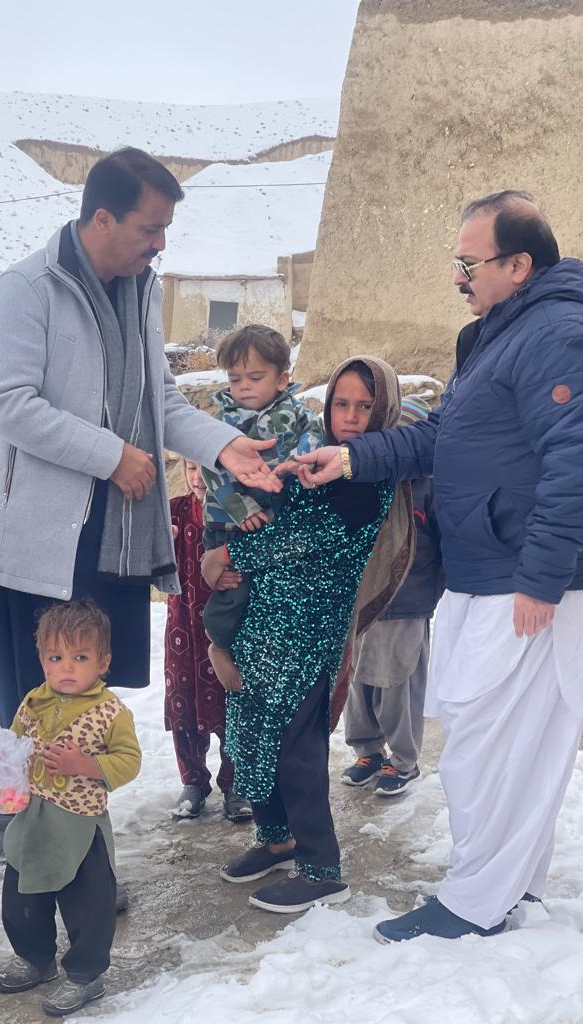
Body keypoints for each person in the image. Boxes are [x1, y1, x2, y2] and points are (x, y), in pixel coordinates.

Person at [0, 147, 279, 852]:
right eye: (150, 229)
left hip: (114, 534)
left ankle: (70, 842)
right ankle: (23, 828)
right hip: (41, 543)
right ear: (102, 218)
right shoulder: (26, 288)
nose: (161, 245)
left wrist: (223, 446)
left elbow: (159, 402)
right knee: (33, 702)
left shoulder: (142, 294)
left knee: (86, 700)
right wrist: (111, 456)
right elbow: (7, 405)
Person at [285, 191, 583, 942]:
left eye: (468, 261)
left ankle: (477, 902)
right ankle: (508, 888)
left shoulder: (553, 332)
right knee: (511, 744)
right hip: (501, 571)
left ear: (518, 265)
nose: (458, 276)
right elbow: (442, 436)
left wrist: (542, 578)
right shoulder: (495, 334)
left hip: (525, 581)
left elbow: (574, 454)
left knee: (483, 745)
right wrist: (351, 456)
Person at [202, 357, 414, 914]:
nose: (349, 417)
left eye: (363, 406)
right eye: (340, 404)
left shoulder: (366, 477)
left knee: (295, 744)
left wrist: (229, 553)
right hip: (267, 614)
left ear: (382, 409)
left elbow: (305, 541)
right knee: (250, 727)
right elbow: (276, 516)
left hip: (308, 629)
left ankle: (321, 867)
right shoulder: (315, 456)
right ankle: (277, 839)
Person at [0, 599, 140, 1017]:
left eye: (80, 657)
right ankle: (35, 959)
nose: (67, 668)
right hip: (31, 821)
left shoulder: (110, 712)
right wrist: (7, 763)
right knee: (22, 898)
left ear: (103, 661)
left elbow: (129, 761)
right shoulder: (33, 702)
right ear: (42, 660)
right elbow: (17, 745)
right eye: (56, 657)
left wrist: (86, 765)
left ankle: (85, 974)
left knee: (88, 905)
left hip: (79, 827)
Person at [200, 324, 324, 691]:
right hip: (230, 523)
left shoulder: (298, 414)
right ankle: (219, 646)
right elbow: (212, 469)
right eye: (236, 379)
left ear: (282, 378)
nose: (244, 387)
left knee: (270, 596)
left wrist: (303, 464)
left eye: (255, 377)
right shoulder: (221, 422)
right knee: (233, 590)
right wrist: (241, 508)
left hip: (276, 519)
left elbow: (313, 440)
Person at [341, 395, 444, 796]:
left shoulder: (428, 486)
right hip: (363, 599)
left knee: (398, 681)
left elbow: (445, 540)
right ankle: (367, 750)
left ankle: (403, 760)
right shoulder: (366, 481)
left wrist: (437, 588)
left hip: (409, 598)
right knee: (356, 680)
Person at [165, 459, 252, 822]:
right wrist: (158, 542)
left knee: (231, 699)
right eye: (189, 468)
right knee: (184, 702)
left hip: (226, 624)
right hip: (183, 624)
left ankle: (235, 784)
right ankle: (193, 781)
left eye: (204, 468)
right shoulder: (172, 511)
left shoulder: (238, 510)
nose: (197, 477)